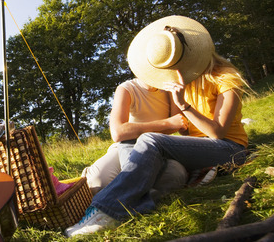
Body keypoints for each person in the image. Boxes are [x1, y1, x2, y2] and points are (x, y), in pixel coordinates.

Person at [65, 15, 250, 237]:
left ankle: (103, 209)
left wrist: (183, 105)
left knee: (150, 139)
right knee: (137, 144)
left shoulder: (225, 77)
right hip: (196, 149)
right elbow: (171, 130)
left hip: (230, 149)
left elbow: (217, 133)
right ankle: (131, 207)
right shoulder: (183, 80)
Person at [81, 78, 189, 198]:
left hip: (160, 149)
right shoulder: (126, 89)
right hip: (125, 147)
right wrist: (166, 123)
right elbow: (118, 132)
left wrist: (172, 122)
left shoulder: (169, 89)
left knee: (176, 175)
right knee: (97, 182)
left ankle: (131, 195)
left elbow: (177, 123)